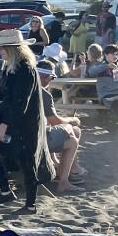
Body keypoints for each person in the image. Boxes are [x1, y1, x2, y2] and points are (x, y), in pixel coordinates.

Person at [0, 29, 54, 214]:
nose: (0, 52)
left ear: (13, 49)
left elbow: (20, 101)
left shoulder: (25, 69)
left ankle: (30, 204)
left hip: (25, 123)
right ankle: (6, 190)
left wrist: (4, 125)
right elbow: (8, 93)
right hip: (12, 118)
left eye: (2, 48)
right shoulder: (10, 67)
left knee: (27, 162)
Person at [36, 61, 85, 192]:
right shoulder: (43, 94)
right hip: (35, 139)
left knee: (74, 130)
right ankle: (63, 182)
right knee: (72, 140)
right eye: (51, 78)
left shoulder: (23, 88)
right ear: (46, 78)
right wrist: (72, 119)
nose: (51, 81)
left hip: (20, 135)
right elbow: (55, 121)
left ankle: (68, 170)